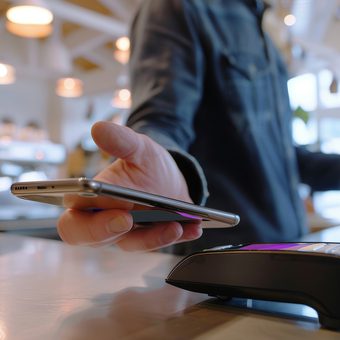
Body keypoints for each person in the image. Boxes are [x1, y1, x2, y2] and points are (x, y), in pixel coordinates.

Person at [57, 0, 340, 253]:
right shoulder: (181, 6)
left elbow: (282, 157)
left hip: (290, 250)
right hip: (223, 264)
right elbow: (160, 120)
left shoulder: (268, 43)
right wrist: (160, 163)